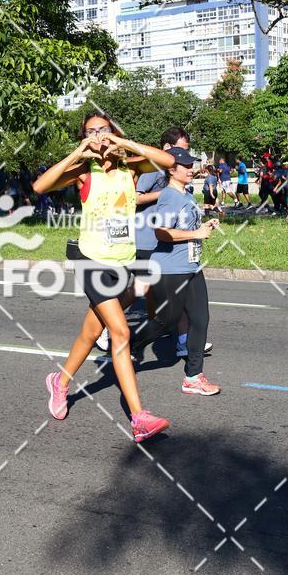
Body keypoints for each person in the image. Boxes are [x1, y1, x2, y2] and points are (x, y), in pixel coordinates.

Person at [33, 111, 175, 442]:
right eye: (91, 131)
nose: (98, 135)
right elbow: (40, 186)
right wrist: (77, 153)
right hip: (91, 262)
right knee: (120, 332)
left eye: (104, 130)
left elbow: (167, 160)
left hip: (123, 262)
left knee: (89, 332)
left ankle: (60, 381)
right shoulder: (83, 171)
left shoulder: (130, 166)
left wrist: (123, 143)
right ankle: (139, 418)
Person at [130, 147, 221, 395]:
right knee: (165, 321)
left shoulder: (186, 194)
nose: (192, 169)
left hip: (191, 267)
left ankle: (193, 376)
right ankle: (129, 343)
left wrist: (205, 225)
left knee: (200, 320)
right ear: (172, 169)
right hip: (170, 269)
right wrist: (196, 234)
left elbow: (184, 223)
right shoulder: (169, 196)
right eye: (187, 166)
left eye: (192, 165)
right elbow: (161, 232)